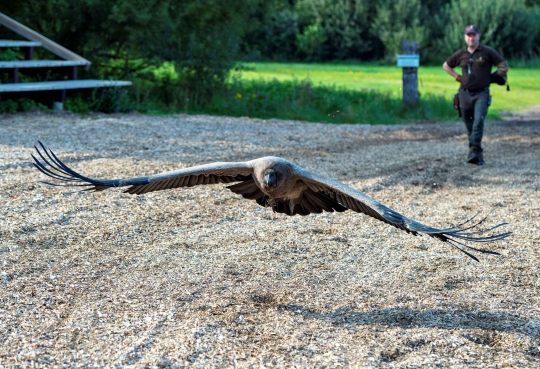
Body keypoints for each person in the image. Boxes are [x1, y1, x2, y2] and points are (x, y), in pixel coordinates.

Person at [442, 25, 508, 165]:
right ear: (465, 37)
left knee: (479, 120)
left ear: (479, 36)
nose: (471, 38)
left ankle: (472, 149)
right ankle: (477, 153)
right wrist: (457, 77)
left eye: (474, 35)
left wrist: (494, 77)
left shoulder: (487, 51)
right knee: (469, 124)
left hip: (482, 93)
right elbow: (446, 65)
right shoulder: (461, 54)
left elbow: (503, 66)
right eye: (469, 35)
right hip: (464, 94)